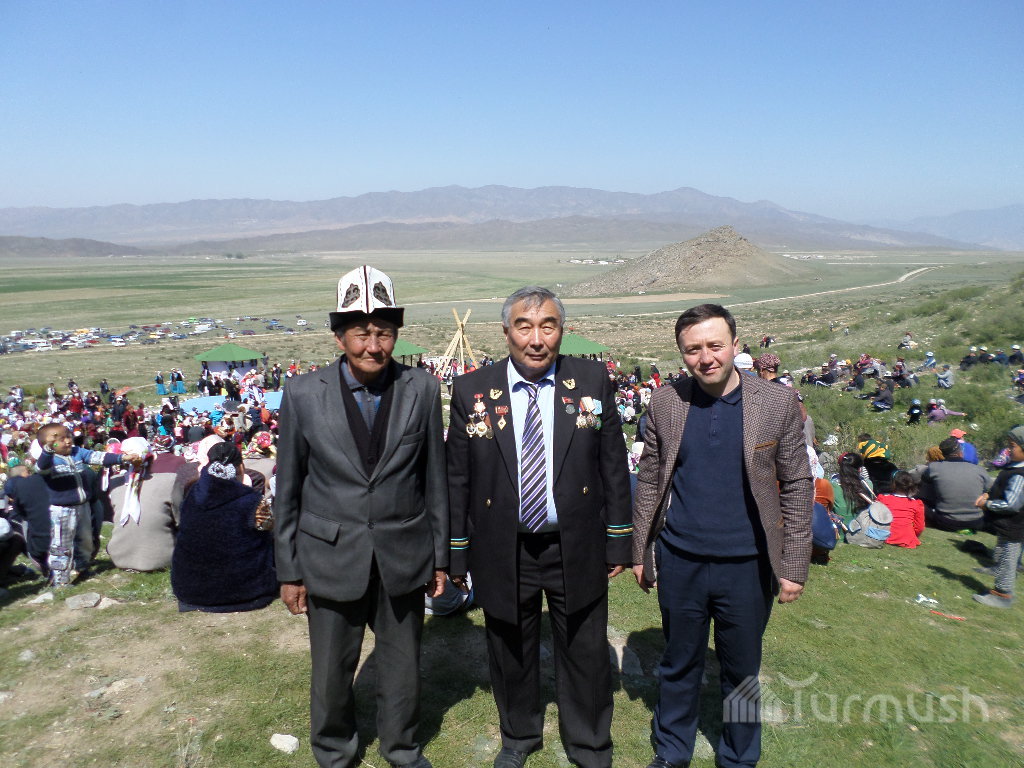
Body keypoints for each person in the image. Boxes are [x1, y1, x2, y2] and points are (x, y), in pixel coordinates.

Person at [447, 286, 631, 768]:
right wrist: (457, 553)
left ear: (561, 331)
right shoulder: (471, 390)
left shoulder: (590, 380)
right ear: (506, 331)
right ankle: (518, 737)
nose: (536, 339)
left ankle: (589, 744)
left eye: (547, 326)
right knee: (509, 647)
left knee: (585, 648)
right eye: (524, 326)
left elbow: (614, 465)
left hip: (576, 542)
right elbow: (458, 478)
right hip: (503, 546)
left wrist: (618, 541)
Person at [275, 265, 448, 768]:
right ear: (339, 336)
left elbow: (434, 479)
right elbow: (288, 489)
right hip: (329, 554)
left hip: (403, 551)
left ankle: (402, 748)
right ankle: (334, 752)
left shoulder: (422, 388)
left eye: (384, 333)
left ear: (397, 334)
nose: (373, 346)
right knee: (331, 668)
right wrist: (289, 570)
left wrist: (440, 557)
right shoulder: (303, 393)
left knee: (402, 666)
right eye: (361, 333)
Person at [632, 304, 812, 768]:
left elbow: (796, 482)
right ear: (681, 353)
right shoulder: (666, 402)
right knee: (679, 661)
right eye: (693, 349)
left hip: (748, 564)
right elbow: (650, 480)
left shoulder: (775, 403)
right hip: (681, 559)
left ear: (735, 345)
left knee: (741, 669)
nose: (706, 357)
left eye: (715, 345)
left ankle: (738, 757)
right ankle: (672, 750)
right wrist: (641, 551)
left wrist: (794, 564)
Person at [171, 441, 276, 611]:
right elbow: (270, 530)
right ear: (240, 467)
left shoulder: (191, 495)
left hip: (190, 589)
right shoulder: (253, 501)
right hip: (247, 591)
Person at [34, 423, 136, 586]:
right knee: (62, 544)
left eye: (68, 436)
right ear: (47, 445)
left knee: (85, 540)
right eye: (61, 439)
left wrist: (121, 458)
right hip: (62, 510)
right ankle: (60, 579)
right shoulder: (49, 461)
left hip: (83, 506)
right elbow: (41, 469)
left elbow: (98, 457)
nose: (68, 441)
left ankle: (81, 566)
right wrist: (48, 451)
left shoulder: (77, 452)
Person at [972, 426, 1024, 608]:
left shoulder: (1020, 475)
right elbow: (1001, 488)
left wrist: (987, 504)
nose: (1008, 450)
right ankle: (997, 572)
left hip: (1014, 526)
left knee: (1009, 559)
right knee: (1002, 553)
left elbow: (1012, 504)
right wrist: (988, 494)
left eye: (1012, 446)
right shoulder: (1013, 467)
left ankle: (1003, 595)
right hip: (1006, 526)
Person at [918, 437, 991, 531]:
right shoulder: (980, 470)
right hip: (976, 522)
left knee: (919, 500)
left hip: (946, 522)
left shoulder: (934, 468)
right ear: (961, 453)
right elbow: (987, 489)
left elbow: (924, 482)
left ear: (943, 454)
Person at [878, 471, 925, 548]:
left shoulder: (883, 499)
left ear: (893, 484)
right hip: (907, 539)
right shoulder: (916, 504)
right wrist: (913, 534)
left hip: (884, 536)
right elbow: (919, 527)